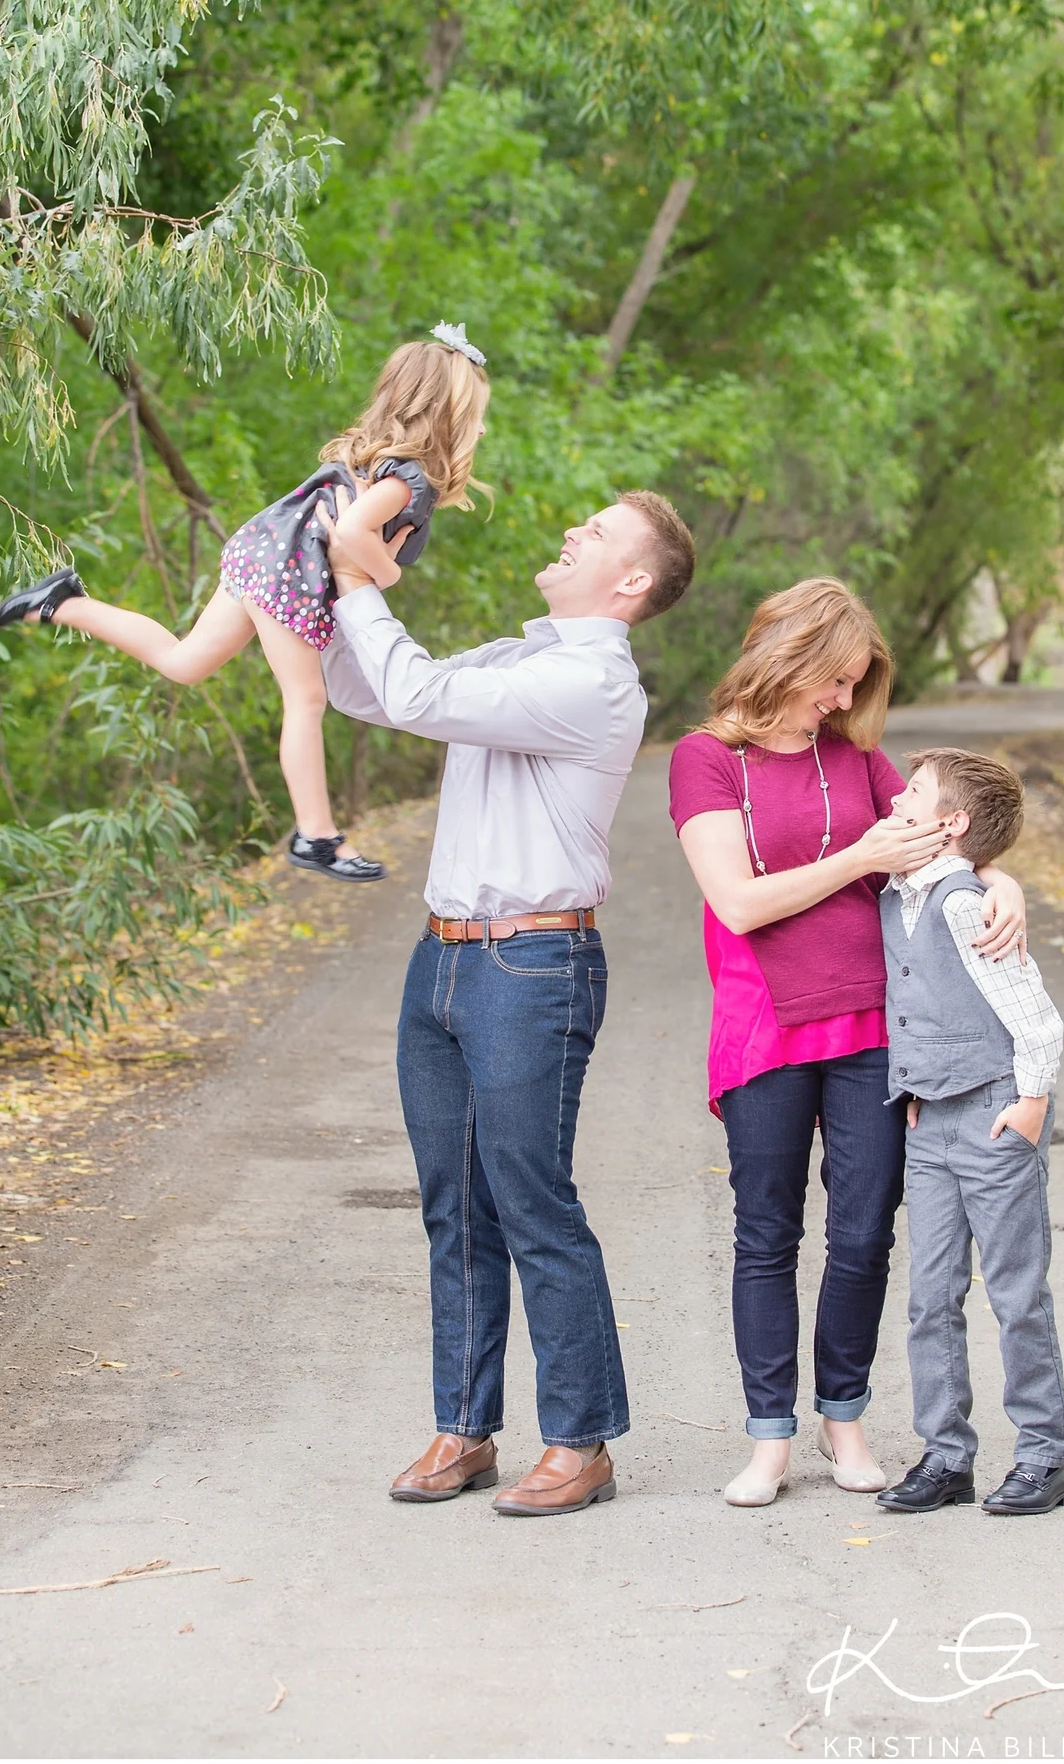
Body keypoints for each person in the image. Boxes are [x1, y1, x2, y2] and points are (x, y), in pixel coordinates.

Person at [320, 488, 697, 1516]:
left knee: (532, 1201)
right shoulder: (515, 657)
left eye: (601, 531)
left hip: (533, 963)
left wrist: (362, 580)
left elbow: (417, 694)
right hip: (442, 959)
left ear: (630, 582)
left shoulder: (589, 680)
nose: (573, 526)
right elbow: (375, 690)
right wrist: (321, 580)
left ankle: (580, 1442)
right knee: (455, 1206)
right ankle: (464, 1429)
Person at [668, 580, 1030, 1507]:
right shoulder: (707, 761)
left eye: (852, 685)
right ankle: (768, 1440)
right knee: (766, 1233)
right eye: (833, 680)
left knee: (865, 1233)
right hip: (765, 1025)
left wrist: (1002, 878)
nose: (840, 700)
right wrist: (861, 860)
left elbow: (944, 839)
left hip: (875, 1024)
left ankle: (845, 1417)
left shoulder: (857, 756)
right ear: (788, 655)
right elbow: (739, 901)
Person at [0, 327, 490, 883]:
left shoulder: (376, 459)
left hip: (262, 553)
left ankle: (63, 603)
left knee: (185, 663)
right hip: (286, 572)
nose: (481, 428)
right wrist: (389, 569)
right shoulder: (411, 480)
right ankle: (317, 834)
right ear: (446, 415)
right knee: (305, 699)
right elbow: (349, 532)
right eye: (476, 416)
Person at [874, 746, 1064, 1519]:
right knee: (930, 1294)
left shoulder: (965, 904)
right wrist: (920, 1085)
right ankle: (946, 1453)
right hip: (931, 1113)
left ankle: (1043, 1453)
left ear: (951, 823)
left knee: (1016, 1290)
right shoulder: (900, 894)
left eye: (914, 792)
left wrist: (1028, 1103)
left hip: (996, 1109)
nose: (897, 797)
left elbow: (1035, 1015)